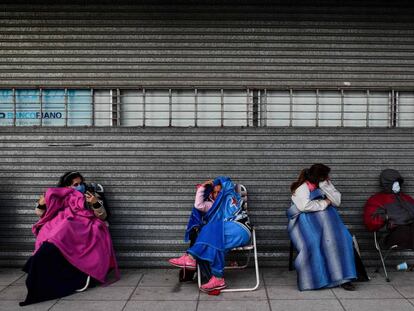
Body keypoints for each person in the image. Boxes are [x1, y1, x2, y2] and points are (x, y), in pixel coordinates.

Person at [20, 171, 119, 306]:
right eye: (75, 184)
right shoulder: (57, 196)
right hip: (61, 224)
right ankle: (41, 261)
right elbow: (40, 213)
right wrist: (41, 203)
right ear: (67, 187)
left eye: (81, 183)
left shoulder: (91, 195)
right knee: (51, 234)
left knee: (62, 231)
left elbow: (103, 216)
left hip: (81, 225)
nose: (80, 186)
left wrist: (95, 203)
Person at [287, 164, 366, 291]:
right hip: (306, 223)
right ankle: (317, 279)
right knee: (314, 243)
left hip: (329, 222)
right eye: (326, 176)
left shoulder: (326, 184)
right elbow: (304, 207)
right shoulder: (302, 187)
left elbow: (337, 201)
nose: (329, 178)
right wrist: (325, 202)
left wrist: (326, 187)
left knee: (343, 239)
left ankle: (344, 278)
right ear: (319, 177)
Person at [168, 176, 252, 293]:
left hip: (240, 227)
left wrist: (214, 182)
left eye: (219, 191)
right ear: (211, 195)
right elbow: (198, 205)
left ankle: (191, 257)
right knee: (215, 245)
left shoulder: (230, 195)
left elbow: (226, 182)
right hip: (224, 233)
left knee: (211, 228)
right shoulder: (212, 207)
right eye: (214, 192)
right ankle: (217, 278)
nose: (217, 194)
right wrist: (202, 187)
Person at [364, 169, 414, 250]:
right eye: (394, 183)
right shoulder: (376, 200)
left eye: (398, 182)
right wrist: (385, 217)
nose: (397, 185)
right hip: (391, 234)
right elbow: (370, 223)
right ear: (387, 184)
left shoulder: (406, 198)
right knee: (404, 231)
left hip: (409, 232)